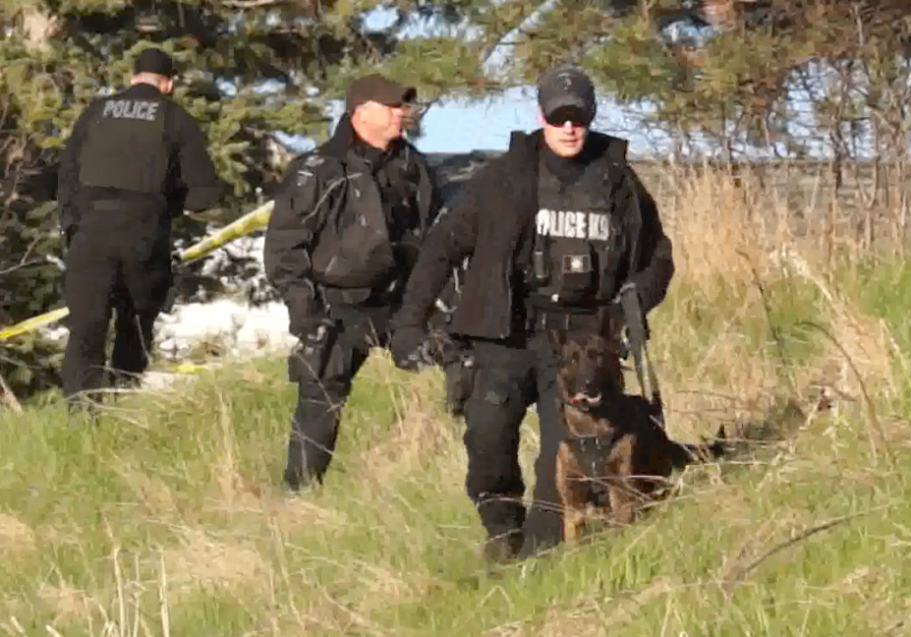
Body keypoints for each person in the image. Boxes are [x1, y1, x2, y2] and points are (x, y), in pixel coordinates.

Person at [387, 64, 676, 562]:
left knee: (559, 460)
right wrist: (409, 322)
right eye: (559, 116)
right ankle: (501, 531)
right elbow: (440, 247)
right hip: (505, 333)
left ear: (591, 116)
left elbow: (659, 256)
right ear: (541, 115)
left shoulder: (618, 181)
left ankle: (545, 555)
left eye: (578, 116)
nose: (569, 127)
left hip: (579, 343)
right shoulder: (502, 178)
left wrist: (634, 301)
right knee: (487, 436)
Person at [263, 73, 444, 493]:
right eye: (394, 106)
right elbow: (284, 251)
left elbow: (437, 236)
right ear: (361, 113)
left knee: (458, 377)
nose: (404, 114)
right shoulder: (319, 170)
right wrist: (308, 317)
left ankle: (442, 489)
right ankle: (299, 500)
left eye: (404, 106)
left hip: (401, 303)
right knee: (320, 400)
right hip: (336, 305)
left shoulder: (415, 167)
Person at [56, 47, 225, 411]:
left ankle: (80, 414)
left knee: (86, 327)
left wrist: (71, 225)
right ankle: (124, 406)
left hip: (90, 233)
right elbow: (205, 193)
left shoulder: (95, 112)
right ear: (168, 84)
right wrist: (166, 206)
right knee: (134, 325)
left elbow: (66, 175)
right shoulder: (175, 118)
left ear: (133, 77)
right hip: (143, 234)